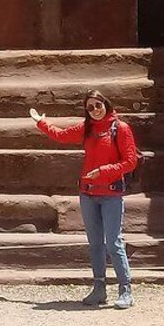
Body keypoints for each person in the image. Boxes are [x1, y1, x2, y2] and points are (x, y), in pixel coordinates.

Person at [30, 89, 138, 309]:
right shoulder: (87, 128)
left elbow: (130, 161)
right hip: (88, 194)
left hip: (111, 194)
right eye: (90, 107)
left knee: (114, 242)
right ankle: (99, 289)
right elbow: (62, 135)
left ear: (106, 104)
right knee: (95, 244)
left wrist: (105, 171)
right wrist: (42, 123)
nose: (95, 110)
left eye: (98, 105)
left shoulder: (120, 128)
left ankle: (125, 290)